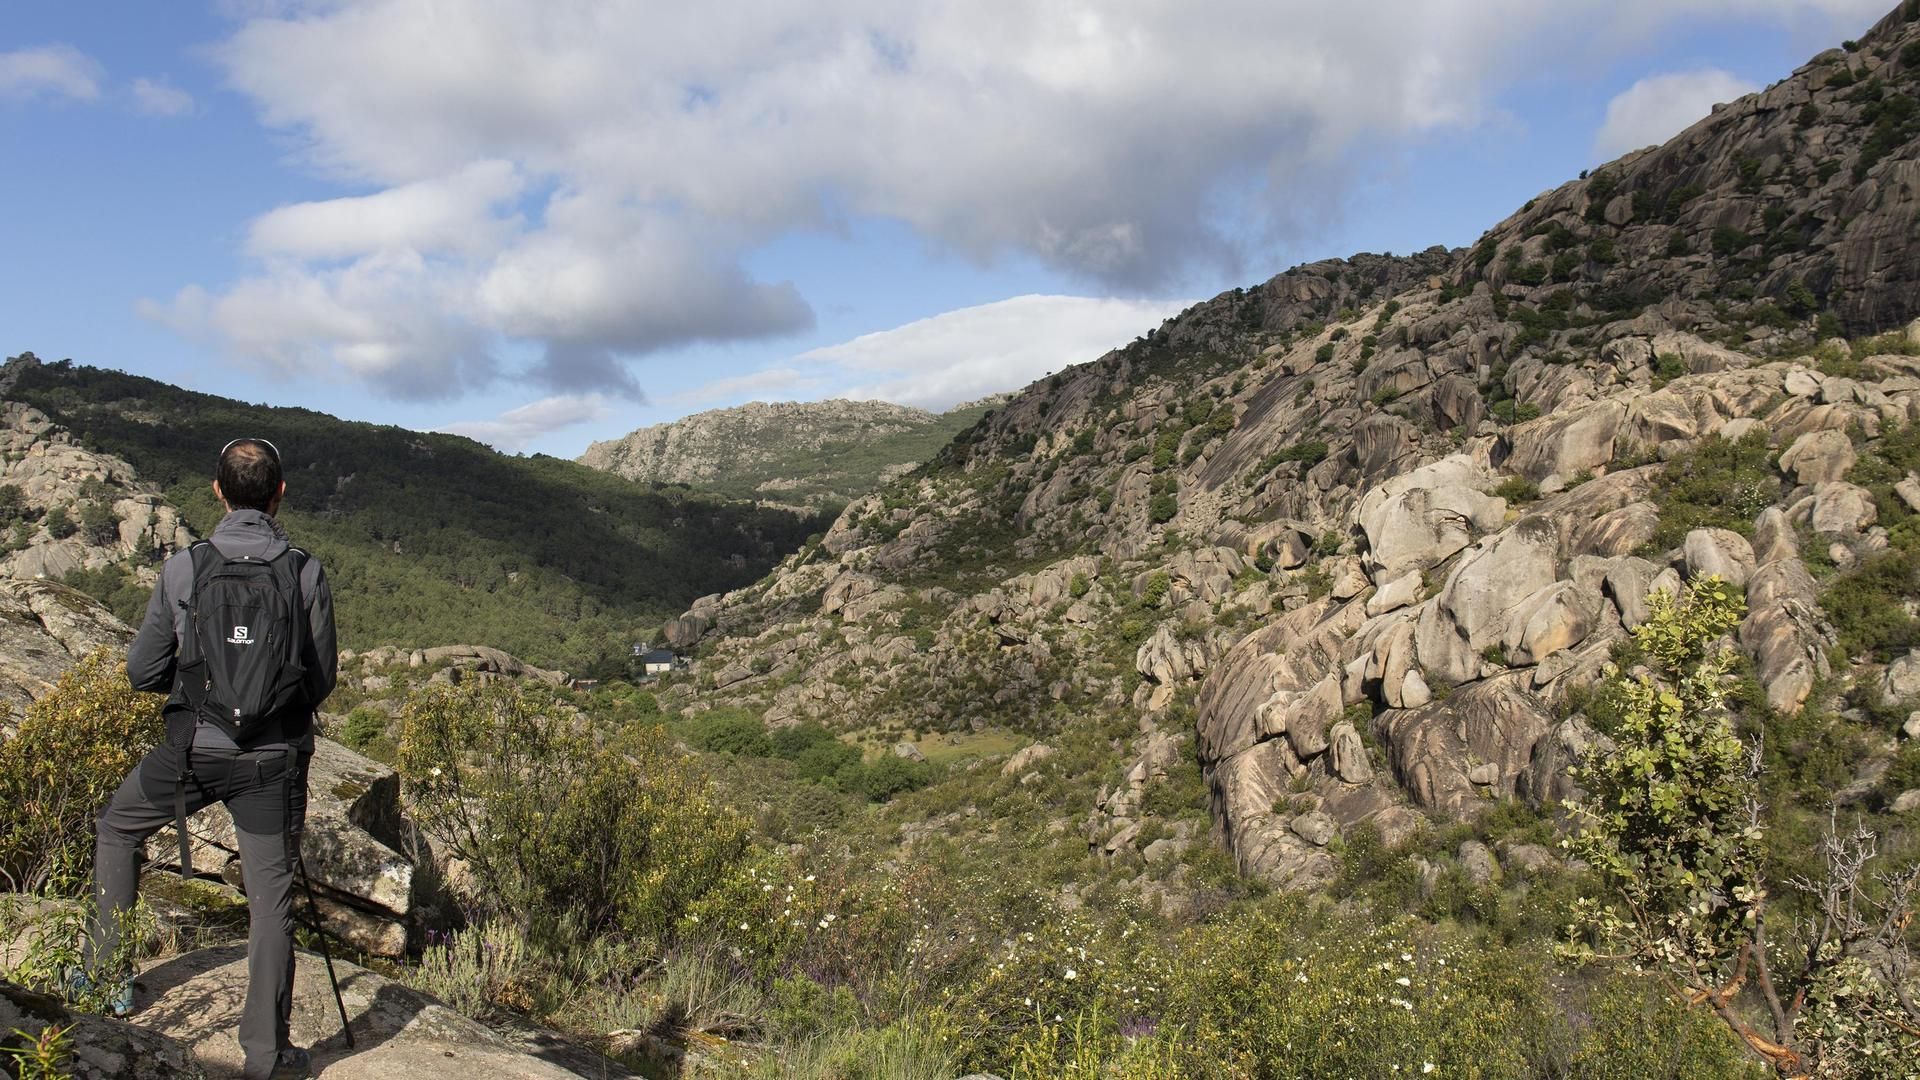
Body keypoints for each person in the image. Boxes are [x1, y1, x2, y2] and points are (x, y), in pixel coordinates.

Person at [81, 437, 337, 1080]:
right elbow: (321, 677)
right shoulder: (304, 571)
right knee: (270, 901)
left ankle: (106, 983)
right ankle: (266, 1056)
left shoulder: (184, 568)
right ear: (279, 494)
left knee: (117, 829)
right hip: (271, 761)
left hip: (192, 753)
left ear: (217, 492)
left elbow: (142, 672)